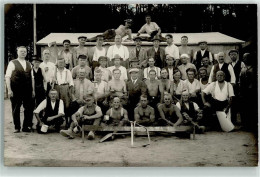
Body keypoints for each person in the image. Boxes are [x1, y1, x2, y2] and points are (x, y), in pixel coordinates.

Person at [5, 46, 35, 133]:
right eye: (21, 51)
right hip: (16, 90)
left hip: (28, 90)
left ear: (26, 53)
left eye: (24, 51)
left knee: (28, 108)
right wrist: (9, 90)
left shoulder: (29, 64)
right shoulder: (12, 63)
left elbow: (32, 78)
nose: (23, 53)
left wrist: (33, 90)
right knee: (16, 108)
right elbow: (7, 77)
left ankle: (26, 126)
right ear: (17, 52)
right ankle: (17, 127)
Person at [53, 58, 74, 127]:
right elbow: (51, 81)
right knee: (57, 104)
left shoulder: (67, 71)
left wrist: (70, 93)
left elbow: (71, 82)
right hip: (57, 88)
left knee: (66, 105)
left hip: (65, 88)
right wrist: (52, 80)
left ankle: (67, 122)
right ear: (57, 64)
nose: (61, 64)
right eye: (59, 63)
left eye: (62, 62)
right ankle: (57, 122)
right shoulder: (54, 71)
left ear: (64, 63)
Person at [239, 53, 257, 131]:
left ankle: (252, 125)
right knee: (244, 109)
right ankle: (245, 125)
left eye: (246, 58)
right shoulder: (243, 69)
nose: (244, 59)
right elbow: (240, 80)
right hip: (243, 92)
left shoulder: (254, 68)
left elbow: (254, 81)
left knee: (251, 109)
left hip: (251, 92)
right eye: (243, 58)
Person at [228, 49, 245, 124]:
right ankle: (232, 120)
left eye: (234, 54)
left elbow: (243, 74)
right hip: (231, 86)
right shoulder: (228, 64)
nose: (233, 56)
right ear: (229, 56)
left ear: (237, 55)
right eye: (231, 54)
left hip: (239, 86)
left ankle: (241, 121)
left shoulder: (241, 63)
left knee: (240, 103)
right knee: (232, 102)